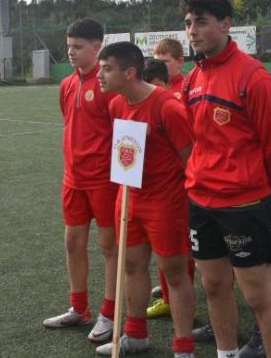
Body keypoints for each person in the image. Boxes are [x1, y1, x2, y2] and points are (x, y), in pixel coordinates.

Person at [180, 0, 271, 358]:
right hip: (201, 200)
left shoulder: (252, 77)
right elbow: (196, 140)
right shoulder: (192, 78)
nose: (192, 31)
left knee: (257, 296)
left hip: (244, 204)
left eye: (201, 22)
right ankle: (225, 353)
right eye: (188, 23)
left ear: (226, 24)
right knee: (213, 286)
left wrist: (256, 187)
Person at [94, 42, 196, 358]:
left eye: (107, 69)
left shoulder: (168, 107)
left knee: (174, 273)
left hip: (166, 203)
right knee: (131, 266)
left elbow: (191, 160)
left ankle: (183, 348)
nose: (100, 75)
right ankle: (135, 335)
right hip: (129, 198)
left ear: (129, 72)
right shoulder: (116, 105)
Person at [43, 18, 120, 344]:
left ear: (97, 47)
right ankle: (79, 308)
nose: (71, 52)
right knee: (73, 243)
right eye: (69, 46)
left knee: (110, 248)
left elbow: (122, 135)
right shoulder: (67, 85)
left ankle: (110, 313)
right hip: (73, 180)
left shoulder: (109, 87)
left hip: (104, 182)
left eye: (78, 47)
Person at [147, 40, 198, 320]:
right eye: (156, 60)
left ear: (180, 61)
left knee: (181, 245)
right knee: (164, 245)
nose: (160, 66)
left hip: (182, 178)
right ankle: (169, 294)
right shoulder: (153, 88)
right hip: (158, 181)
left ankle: (179, 295)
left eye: (165, 61)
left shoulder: (187, 88)